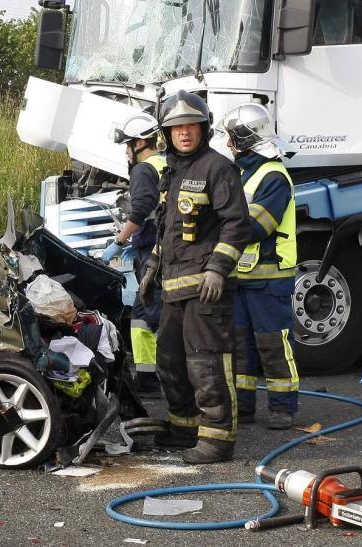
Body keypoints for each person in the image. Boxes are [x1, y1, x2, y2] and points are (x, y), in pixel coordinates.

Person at [139, 91, 250, 464]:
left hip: (205, 287)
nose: (184, 133)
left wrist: (218, 268)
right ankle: (184, 428)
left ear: (203, 129)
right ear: (166, 134)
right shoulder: (172, 171)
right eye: (176, 128)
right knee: (170, 361)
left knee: (207, 363)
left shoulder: (218, 168)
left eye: (190, 126)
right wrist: (152, 268)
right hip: (174, 286)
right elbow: (168, 230)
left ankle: (218, 440)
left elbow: (236, 224)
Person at [216, 103, 299, 430]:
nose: (226, 145)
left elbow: (257, 226)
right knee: (240, 348)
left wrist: (218, 227)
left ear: (244, 139)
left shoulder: (273, 175)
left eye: (230, 139)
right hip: (239, 277)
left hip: (269, 278)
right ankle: (244, 407)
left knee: (273, 344)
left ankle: (282, 407)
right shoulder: (239, 173)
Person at [102, 112, 166, 397]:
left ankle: (160, 383)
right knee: (150, 315)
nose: (126, 152)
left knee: (149, 316)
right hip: (164, 249)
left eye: (128, 145)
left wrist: (119, 240)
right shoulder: (168, 164)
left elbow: (140, 210)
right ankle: (155, 380)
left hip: (151, 254)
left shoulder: (143, 170)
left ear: (141, 143)